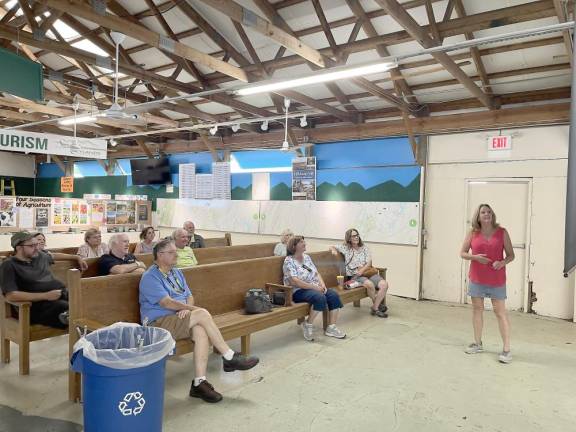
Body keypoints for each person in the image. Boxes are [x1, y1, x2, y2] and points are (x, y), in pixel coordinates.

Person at [139, 238, 259, 403]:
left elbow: (189, 295)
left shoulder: (176, 272)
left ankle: (199, 383)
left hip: (178, 317)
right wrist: (193, 310)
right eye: (172, 252)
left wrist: (186, 308)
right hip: (158, 323)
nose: (177, 255)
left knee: (201, 331)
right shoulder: (150, 277)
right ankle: (228, 356)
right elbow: (166, 303)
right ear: (160, 255)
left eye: (176, 252)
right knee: (202, 314)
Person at [460, 203, 515, 364]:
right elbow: (462, 253)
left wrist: (502, 262)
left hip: (496, 279)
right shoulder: (472, 233)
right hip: (477, 278)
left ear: (492, 215)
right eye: (483, 212)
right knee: (477, 310)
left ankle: (506, 350)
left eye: (489, 212)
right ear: (478, 216)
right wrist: (476, 257)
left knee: (500, 312)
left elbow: (511, 255)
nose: (486, 214)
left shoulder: (502, 232)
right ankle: (478, 343)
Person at [0, 231, 83, 329]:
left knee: (83, 300)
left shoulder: (39, 255)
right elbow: (11, 295)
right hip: (35, 306)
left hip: (59, 295)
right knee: (66, 307)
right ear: (19, 248)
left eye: (36, 244)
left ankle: (78, 324)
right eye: (32, 246)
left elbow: (54, 256)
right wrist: (46, 296)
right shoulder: (9, 265)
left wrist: (76, 257)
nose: (36, 248)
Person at [283, 236, 346, 341]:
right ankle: (307, 324)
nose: (305, 244)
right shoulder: (289, 261)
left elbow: (316, 273)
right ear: (294, 246)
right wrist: (315, 287)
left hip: (314, 287)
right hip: (297, 291)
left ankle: (331, 327)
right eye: (302, 242)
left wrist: (322, 285)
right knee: (320, 298)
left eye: (304, 242)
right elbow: (295, 281)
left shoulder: (306, 257)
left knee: (333, 295)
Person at [330, 228, 389, 318]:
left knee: (384, 285)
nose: (356, 237)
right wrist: (333, 250)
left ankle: (374, 307)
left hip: (367, 273)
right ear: (349, 238)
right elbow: (332, 246)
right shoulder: (346, 248)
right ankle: (376, 308)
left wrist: (362, 270)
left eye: (357, 235)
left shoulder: (364, 247)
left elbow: (369, 262)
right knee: (370, 285)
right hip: (355, 275)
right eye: (354, 236)